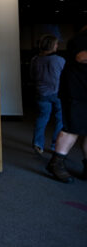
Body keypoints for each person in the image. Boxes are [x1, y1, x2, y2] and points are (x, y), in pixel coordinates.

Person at [46, 26, 87, 183]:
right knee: (71, 129)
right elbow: (81, 57)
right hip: (76, 92)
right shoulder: (81, 39)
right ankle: (56, 164)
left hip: (83, 91)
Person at [29, 34, 65, 155]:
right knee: (60, 120)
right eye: (56, 44)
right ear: (53, 45)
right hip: (58, 93)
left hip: (41, 93)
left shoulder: (35, 60)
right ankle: (56, 145)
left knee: (42, 118)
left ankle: (38, 144)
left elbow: (32, 76)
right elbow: (66, 77)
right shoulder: (60, 60)